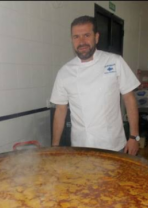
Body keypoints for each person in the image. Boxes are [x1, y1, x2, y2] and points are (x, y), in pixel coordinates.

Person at [50, 16, 140, 155]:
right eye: (76, 37)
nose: (82, 42)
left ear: (96, 37)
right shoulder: (64, 72)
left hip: (113, 145)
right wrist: (54, 147)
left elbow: (129, 98)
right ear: (72, 40)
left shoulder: (115, 62)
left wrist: (134, 136)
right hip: (81, 146)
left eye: (86, 35)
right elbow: (60, 110)